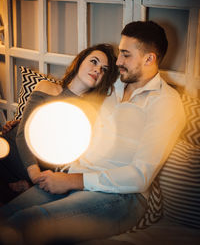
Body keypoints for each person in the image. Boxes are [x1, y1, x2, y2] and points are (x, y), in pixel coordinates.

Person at [0, 21, 185, 244]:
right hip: (70, 178)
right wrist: (25, 121)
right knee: (5, 216)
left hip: (121, 197)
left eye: (126, 55)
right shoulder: (111, 84)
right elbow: (69, 98)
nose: (118, 62)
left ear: (149, 59)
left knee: (25, 224)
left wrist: (74, 181)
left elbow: (140, 176)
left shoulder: (165, 103)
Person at [0, 43, 118, 196]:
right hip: (12, 151)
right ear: (80, 62)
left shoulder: (91, 113)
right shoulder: (46, 87)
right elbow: (23, 133)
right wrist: (34, 175)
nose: (98, 70)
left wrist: (38, 178)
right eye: (94, 61)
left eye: (104, 69)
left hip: (40, 171)